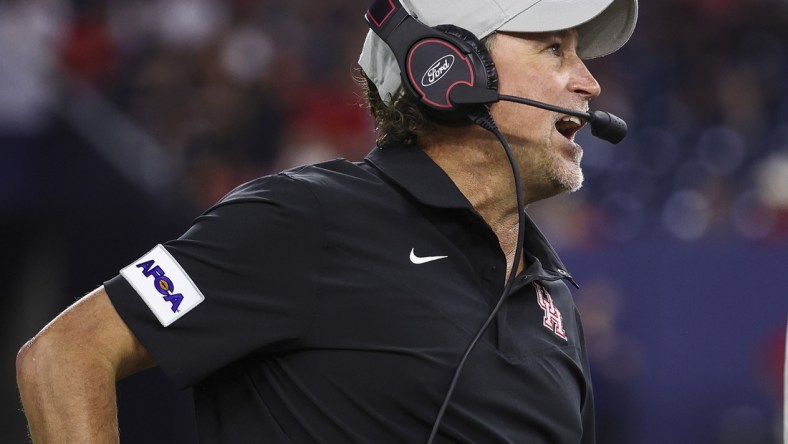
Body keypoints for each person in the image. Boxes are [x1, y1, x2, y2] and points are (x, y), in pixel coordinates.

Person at [16, 0, 638, 442]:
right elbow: (68, 352)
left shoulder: (552, 296)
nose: (587, 82)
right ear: (449, 68)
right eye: (554, 48)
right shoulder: (305, 220)